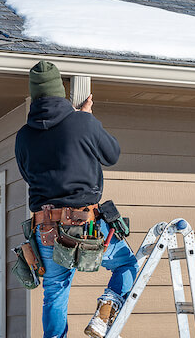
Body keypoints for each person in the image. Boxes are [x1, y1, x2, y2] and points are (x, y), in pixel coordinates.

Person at [15, 60, 139, 338]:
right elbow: (112, 154)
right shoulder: (82, 122)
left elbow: (27, 174)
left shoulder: (23, 136)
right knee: (127, 265)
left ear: (35, 97)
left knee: (55, 293)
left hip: (45, 227)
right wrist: (86, 120)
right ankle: (105, 312)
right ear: (61, 92)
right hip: (86, 224)